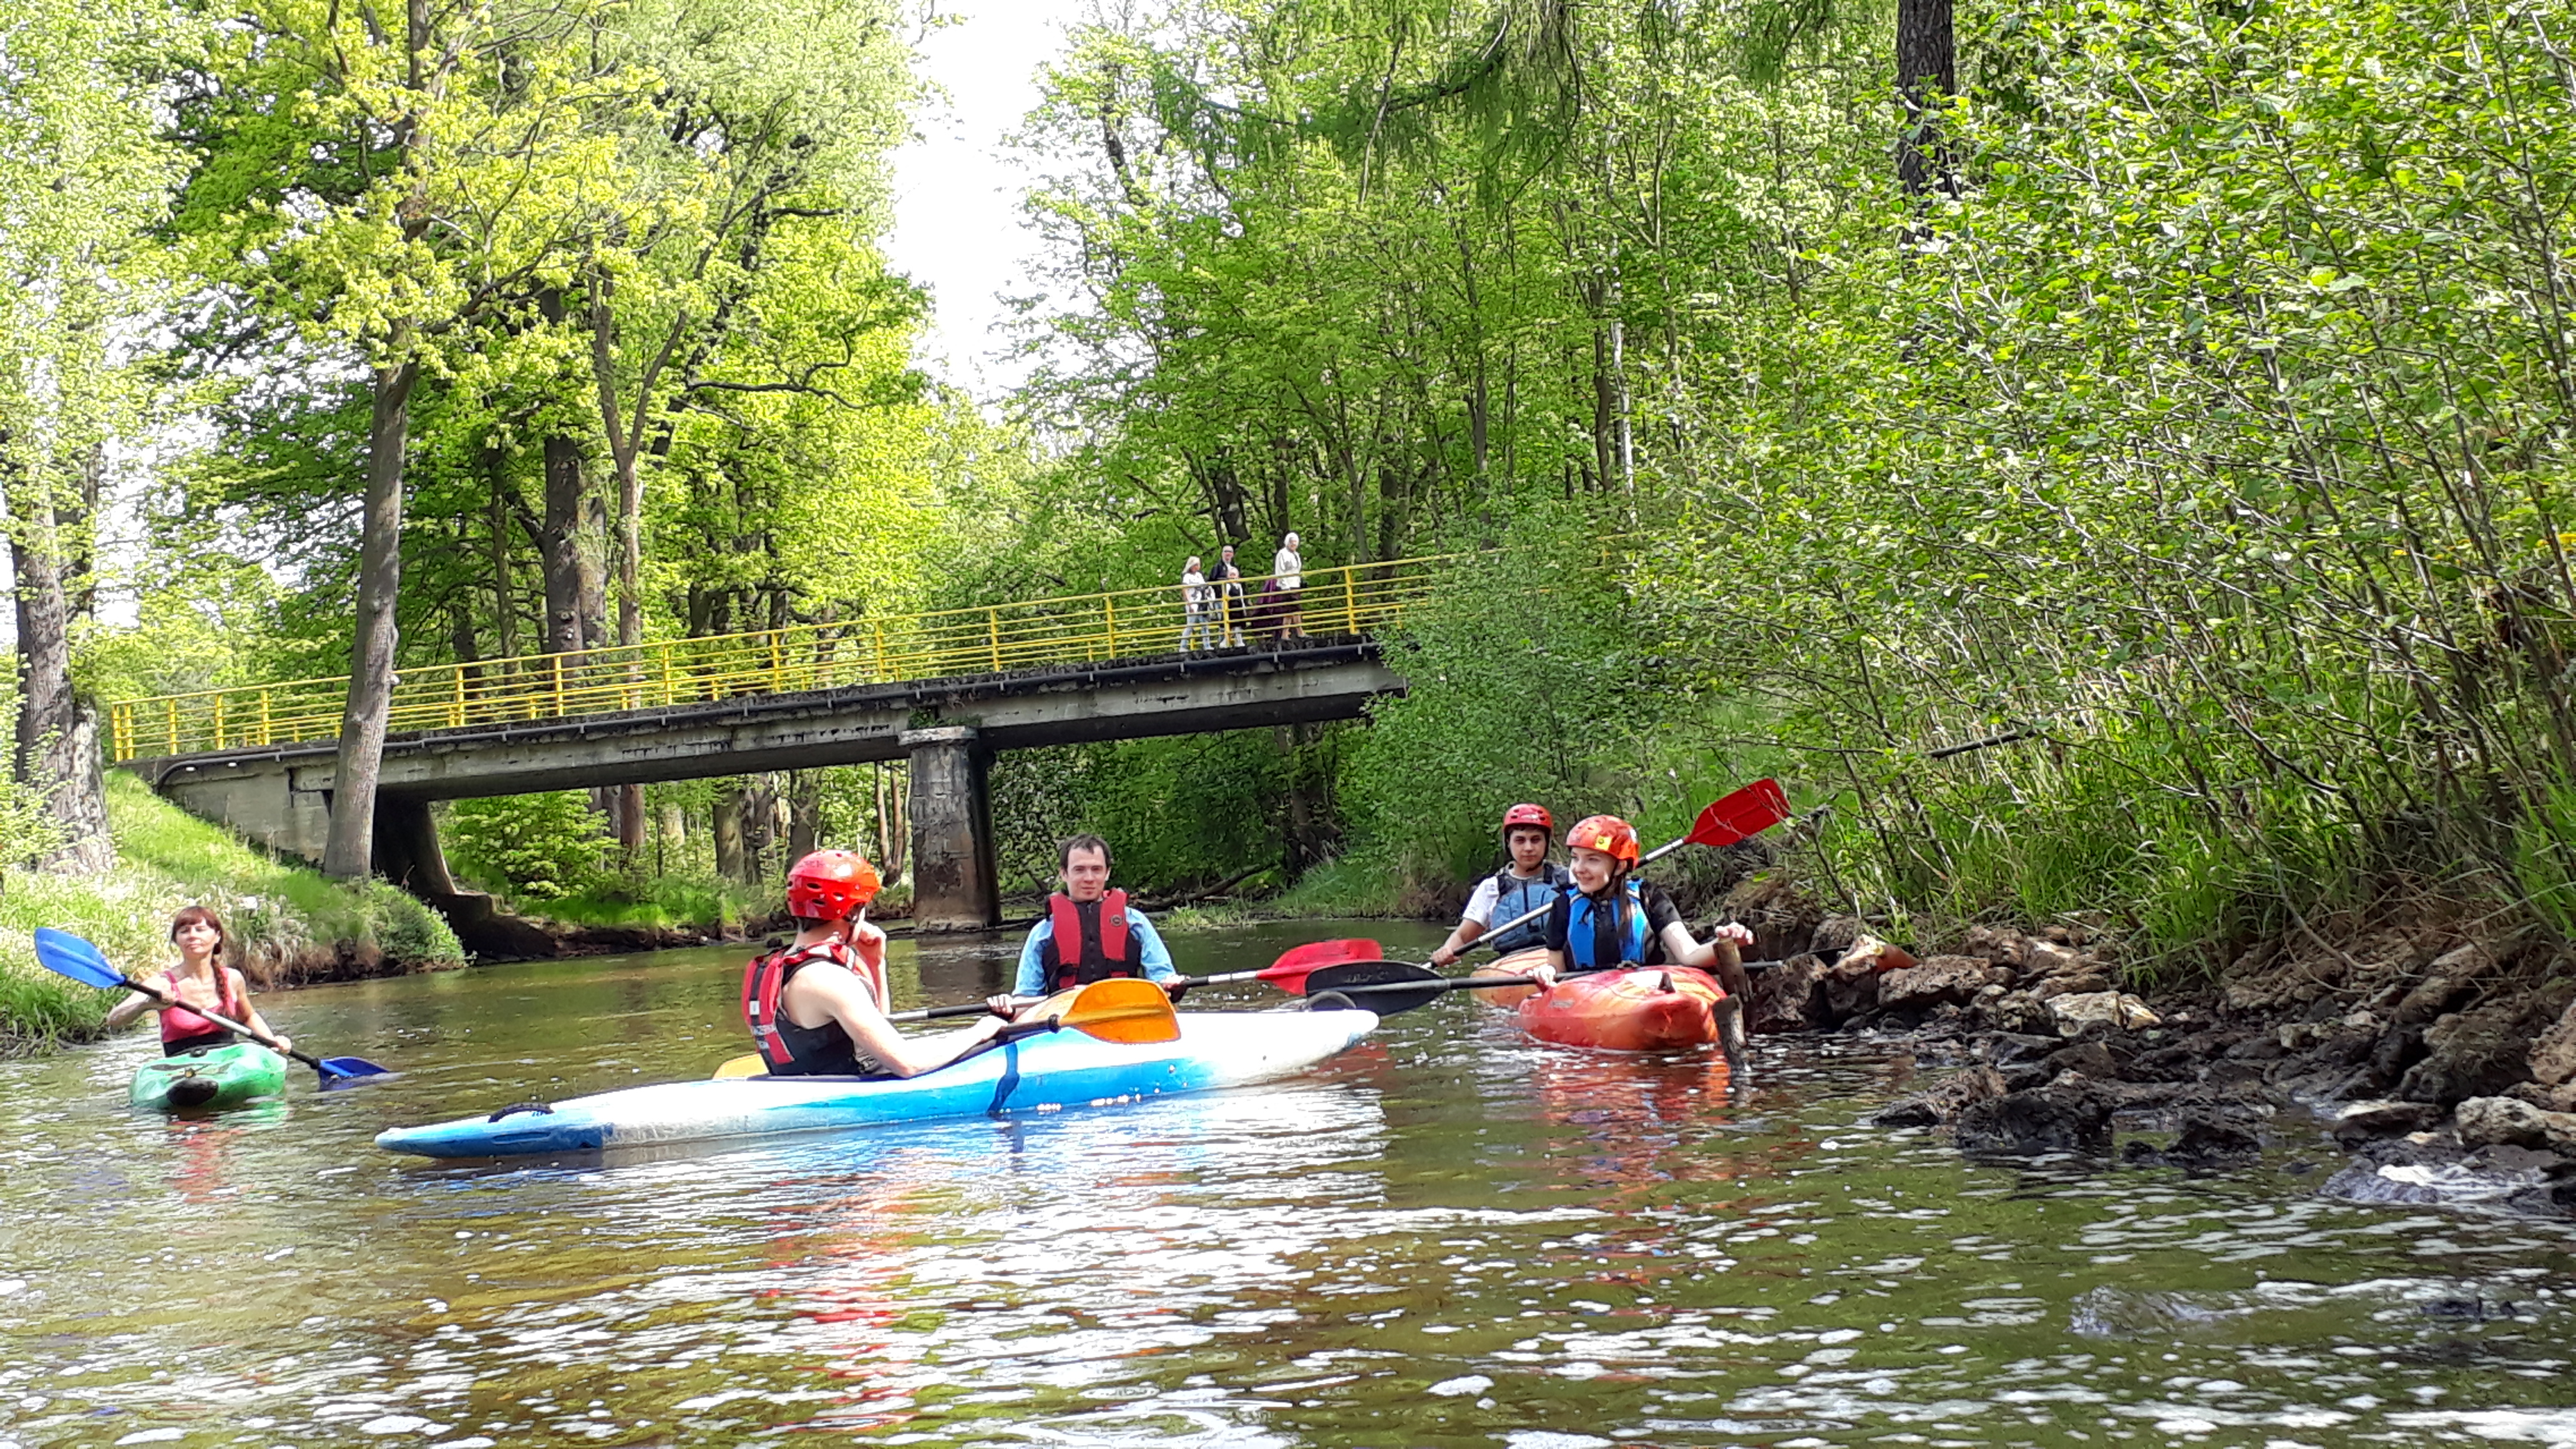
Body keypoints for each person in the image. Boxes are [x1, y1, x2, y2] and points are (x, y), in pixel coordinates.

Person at [743, 849, 1008, 1077]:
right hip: (848, 1100)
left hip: (812, 1084)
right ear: (851, 912)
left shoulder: (774, 968)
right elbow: (908, 1065)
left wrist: (875, 964)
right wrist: (980, 1031)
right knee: (993, 1043)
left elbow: (879, 1032)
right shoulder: (830, 979)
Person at [1530, 814, 1754, 1061]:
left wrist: (1726, 943)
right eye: (1575, 858)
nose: (1579, 868)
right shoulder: (1564, 905)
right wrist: (1547, 973)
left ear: (1620, 866)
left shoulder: (1648, 896)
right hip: (1587, 989)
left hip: (1646, 988)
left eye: (1592, 860)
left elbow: (1690, 955)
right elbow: (1558, 973)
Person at [988, 833, 1183, 1013]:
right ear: (1064, 874)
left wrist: (1172, 986)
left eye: (1096, 870)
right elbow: (1025, 999)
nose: (1089, 879)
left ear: (1107, 873)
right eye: (1079, 870)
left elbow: (1163, 981)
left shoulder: (1136, 923)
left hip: (1122, 1011)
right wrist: (1008, 1009)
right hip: (1064, 1016)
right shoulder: (1042, 933)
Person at [104, 906, 293, 1056]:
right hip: (181, 1066)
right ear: (177, 940)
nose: (193, 935)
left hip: (227, 1061)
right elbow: (114, 1020)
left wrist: (272, 1041)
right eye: (184, 931)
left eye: (201, 930)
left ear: (217, 936)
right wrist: (145, 1005)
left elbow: (247, 1017)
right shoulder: (161, 983)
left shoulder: (232, 978)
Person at [1430, 803, 1569, 967]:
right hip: (1510, 965)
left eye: (1536, 840)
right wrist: (1447, 951)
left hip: (1559, 959)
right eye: (1520, 840)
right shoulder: (1491, 888)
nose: (1528, 848)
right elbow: (1462, 936)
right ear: (1508, 842)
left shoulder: (1569, 880)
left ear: (1547, 843)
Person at [1212, 544, 1246, 646]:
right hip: (1222, 599)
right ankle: (1222, 643)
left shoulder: (1235, 566)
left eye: (1230, 552)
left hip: (1237, 603)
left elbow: (1242, 585)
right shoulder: (1217, 567)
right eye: (1226, 551)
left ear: (1233, 554)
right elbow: (1212, 582)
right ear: (1222, 553)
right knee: (1224, 622)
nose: (1228, 554)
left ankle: (1237, 642)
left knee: (1237, 623)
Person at [1272, 531, 1304, 638]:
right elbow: (1280, 571)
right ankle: (1299, 632)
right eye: (1291, 542)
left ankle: (1285, 634)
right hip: (1287, 587)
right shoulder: (1282, 554)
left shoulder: (1296, 555)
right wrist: (1285, 586)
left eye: (1295, 542)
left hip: (1295, 585)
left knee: (1291, 611)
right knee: (1294, 610)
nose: (1293, 544)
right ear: (1287, 542)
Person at [1179, 555, 1215, 652]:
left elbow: (1204, 586)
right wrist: (1189, 603)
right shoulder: (1187, 576)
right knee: (1190, 625)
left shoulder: (1199, 575)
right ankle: (1183, 646)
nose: (1198, 567)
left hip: (1202, 602)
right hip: (1193, 602)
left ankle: (1207, 645)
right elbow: (1185, 590)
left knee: (1205, 624)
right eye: (1196, 565)